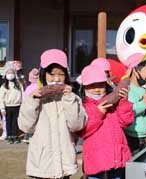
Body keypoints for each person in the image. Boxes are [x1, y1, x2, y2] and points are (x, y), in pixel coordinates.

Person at [18, 49, 87, 179]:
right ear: (43, 74)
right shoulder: (33, 98)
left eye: (61, 74)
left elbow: (76, 126)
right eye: (52, 74)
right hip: (42, 163)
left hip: (64, 162)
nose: (56, 79)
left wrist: (69, 100)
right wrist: (32, 102)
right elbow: (26, 127)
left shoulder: (72, 98)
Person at [78, 64, 134, 179]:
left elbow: (126, 121)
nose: (97, 89)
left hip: (116, 155)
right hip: (96, 159)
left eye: (100, 85)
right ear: (83, 88)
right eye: (92, 86)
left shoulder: (113, 104)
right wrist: (99, 112)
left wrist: (123, 101)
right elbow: (83, 131)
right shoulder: (83, 106)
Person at [123, 53, 146, 155]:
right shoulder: (127, 90)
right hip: (131, 138)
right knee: (133, 168)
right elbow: (128, 111)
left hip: (145, 136)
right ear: (135, 71)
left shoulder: (144, 90)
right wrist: (144, 102)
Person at [0, 64, 23, 144]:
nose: (10, 74)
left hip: (17, 106)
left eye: (12, 72)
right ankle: (9, 136)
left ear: (15, 74)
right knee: (8, 122)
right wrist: (2, 108)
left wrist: (22, 105)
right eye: (8, 73)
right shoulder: (4, 86)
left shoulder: (19, 85)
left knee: (15, 122)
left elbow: (22, 94)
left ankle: (15, 136)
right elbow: (1, 98)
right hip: (8, 107)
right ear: (6, 74)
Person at [22, 68, 39, 143]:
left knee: (35, 121)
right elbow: (25, 97)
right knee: (30, 121)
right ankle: (28, 135)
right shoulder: (29, 87)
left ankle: (31, 135)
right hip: (29, 107)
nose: (35, 77)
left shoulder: (39, 86)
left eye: (37, 76)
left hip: (36, 106)